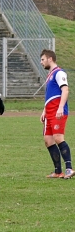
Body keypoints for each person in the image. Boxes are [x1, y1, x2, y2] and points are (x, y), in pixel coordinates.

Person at [40, 49, 75, 179]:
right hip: (49, 112)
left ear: (50, 59)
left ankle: (69, 169)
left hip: (57, 111)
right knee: (48, 141)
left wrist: (60, 107)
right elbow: (49, 95)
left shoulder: (59, 73)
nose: (41, 62)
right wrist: (44, 111)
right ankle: (58, 171)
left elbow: (65, 90)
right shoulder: (50, 75)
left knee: (58, 138)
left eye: (43, 59)